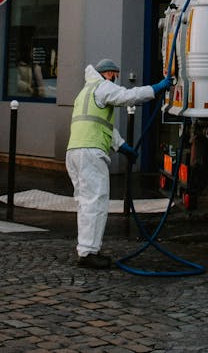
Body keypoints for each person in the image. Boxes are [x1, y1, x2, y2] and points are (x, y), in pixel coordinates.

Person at [66, 58, 172, 269]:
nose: (116, 80)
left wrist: (123, 147)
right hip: (91, 152)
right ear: (108, 73)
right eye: (116, 75)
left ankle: (86, 248)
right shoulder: (102, 86)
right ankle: (88, 252)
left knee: (85, 202)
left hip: (75, 152)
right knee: (95, 202)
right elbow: (127, 96)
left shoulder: (84, 93)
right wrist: (156, 88)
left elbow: (101, 126)